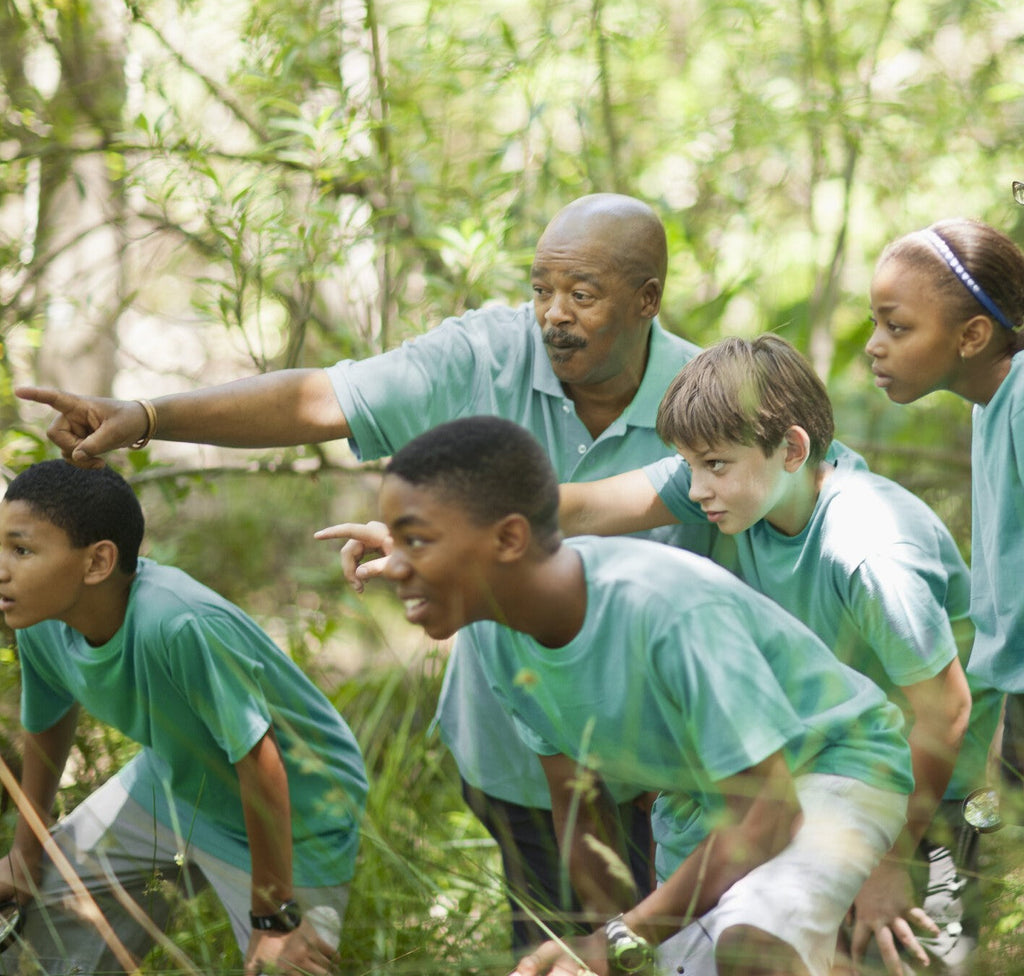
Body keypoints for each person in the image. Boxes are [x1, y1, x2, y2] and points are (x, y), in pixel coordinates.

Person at [15, 193, 707, 948]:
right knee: (551, 947)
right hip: (516, 748)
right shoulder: (484, 353)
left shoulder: (706, 404)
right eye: (540, 288)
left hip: (665, 764)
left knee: (672, 949)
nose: (552, 314)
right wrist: (149, 417)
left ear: (647, 300)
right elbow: (318, 398)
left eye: (581, 294)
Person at [320, 415, 914, 976]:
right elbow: (579, 804)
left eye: (415, 541)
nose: (394, 566)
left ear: (509, 538)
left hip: (834, 769)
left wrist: (621, 939)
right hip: (707, 808)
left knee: (752, 940)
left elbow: (770, 812)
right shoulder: (500, 638)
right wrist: (606, 940)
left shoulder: (662, 610)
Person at [524, 334, 996, 976]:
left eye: (714, 464)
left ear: (793, 448)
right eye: (687, 464)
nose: (697, 488)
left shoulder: (867, 548)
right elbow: (581, 507)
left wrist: (887, 862)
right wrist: (434, 538)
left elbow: (945, 713)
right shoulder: (743, 481)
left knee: (900, 957)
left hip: (927, 796)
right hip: (815, 770)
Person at [0, 460, 367, 975]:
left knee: (286, 965)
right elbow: (47, 723)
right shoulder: (39, 619)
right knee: (31, 931)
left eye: (21, 550)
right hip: (175, 784)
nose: (1, 568)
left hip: (300, 812)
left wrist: (272, 917)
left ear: (97, 562)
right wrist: (26, 851)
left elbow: (261, 761)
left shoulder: (175, 621)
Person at [865, 219, 1024, 804]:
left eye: (897, 326)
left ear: (973, 335)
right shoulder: (992, 404)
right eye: (876, 322)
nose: (874, 344)